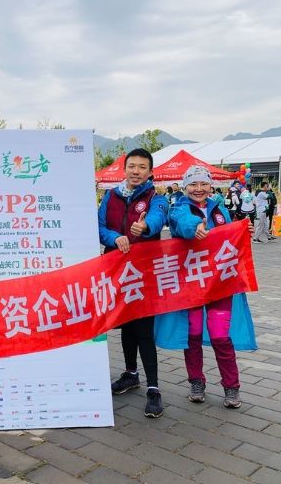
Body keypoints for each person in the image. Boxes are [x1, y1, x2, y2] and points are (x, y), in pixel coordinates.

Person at [167, 165, 256, 409]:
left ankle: (232, 387)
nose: (199, 189)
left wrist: (242, 231)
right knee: (193, 335)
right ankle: (196, 382)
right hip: (191, 284)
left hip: (219, 284)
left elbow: (228, 237)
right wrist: (195, 227)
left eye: (203, 183)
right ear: (185, 187)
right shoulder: (178, 208)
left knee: (221, 337)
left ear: (210, 186)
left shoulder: (220, 210)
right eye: (193, 184)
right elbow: (182, 223)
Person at [98, 148, 168, 418]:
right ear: (124, 168)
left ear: (150, 172)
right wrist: (114, 237)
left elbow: (158, 217)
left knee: (143, 329)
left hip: (144, 273)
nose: (136, 171)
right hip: (115, 270)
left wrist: (145, 227)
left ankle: (154, 388)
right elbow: (99, 226)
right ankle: (130, 374)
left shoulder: (156, 198)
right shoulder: (110, 196)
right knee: (125, 324)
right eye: (132, 166)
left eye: (142, 167)